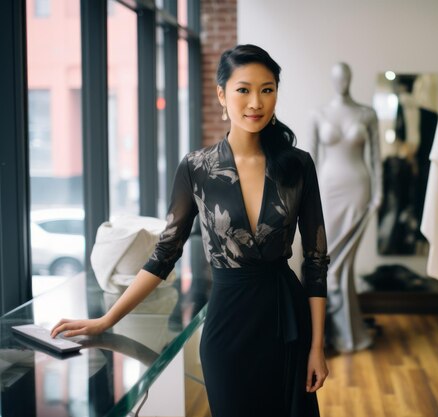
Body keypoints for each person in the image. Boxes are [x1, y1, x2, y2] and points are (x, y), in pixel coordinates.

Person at [51, 44, 330, 417]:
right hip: (227, 332)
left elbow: (315, 261)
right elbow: (165, 253)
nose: (256, 102)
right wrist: (107, 319)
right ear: (222, 94)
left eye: (267, 89)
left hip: (286, 325)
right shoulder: (197, 168)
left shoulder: (298, 165)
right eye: (243, 89)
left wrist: (317, 346)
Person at [309, 62, 381, 352]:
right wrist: (307, 199)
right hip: (328, 190)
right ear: (332, 80)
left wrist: (379, 194)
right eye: (337, 78)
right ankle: (344, 333)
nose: (342, 82)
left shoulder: (367, 113)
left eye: (346, 77)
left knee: (343, 264)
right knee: (330, 260)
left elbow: (377, 158)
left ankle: (346, 334)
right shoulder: (318, 113)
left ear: (351, 79)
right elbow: (310, 161)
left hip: (359, 189)